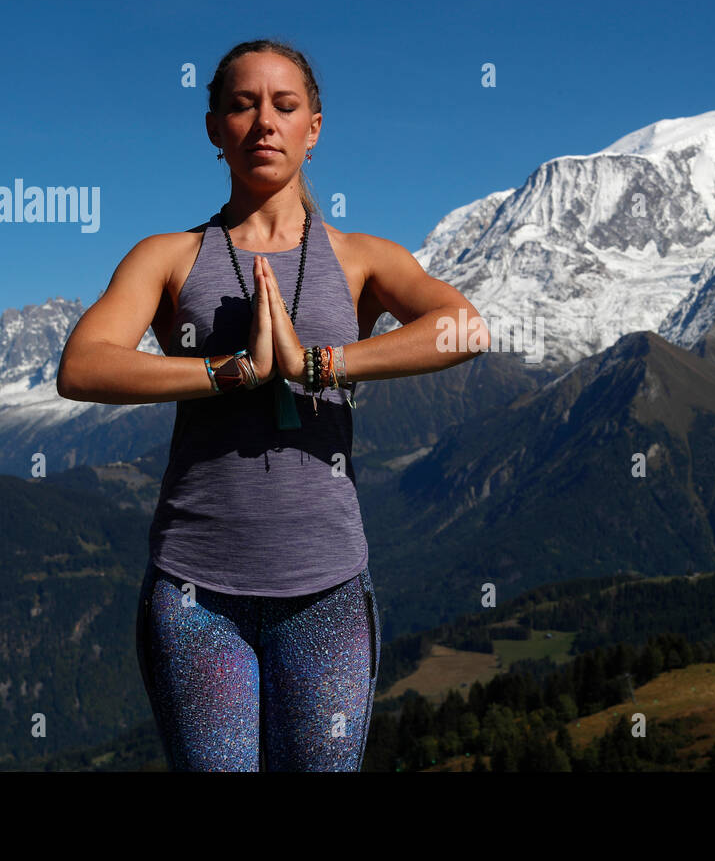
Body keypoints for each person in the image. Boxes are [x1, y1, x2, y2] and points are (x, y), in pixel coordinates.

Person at [56, 38, 488, 770]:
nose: (264, 123)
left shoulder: (360, 257)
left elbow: (465, 328)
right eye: (242, 105)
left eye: (285, 107)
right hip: (196, 591)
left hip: (328, 587)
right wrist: (233, 372)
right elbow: (83, 366)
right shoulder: (167, 256)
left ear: (313, 129)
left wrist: (317, 363)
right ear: (213, 128)